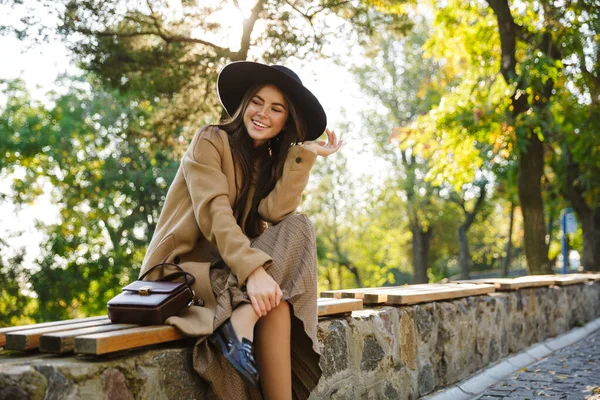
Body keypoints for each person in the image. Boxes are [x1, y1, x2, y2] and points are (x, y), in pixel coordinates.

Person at [138, 61, 342, 399]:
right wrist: (253, 273)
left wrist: (305, 155)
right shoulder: (209, 140)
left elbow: (276, 213)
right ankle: (238, 323)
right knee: (273, 296)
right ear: (245, 104)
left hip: (229, 273)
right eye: (257, 102)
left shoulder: (264, 162)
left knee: (296, 238)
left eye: (276, 109)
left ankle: (241, 321)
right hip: (184, 276)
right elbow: (214, 214)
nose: (263, 113)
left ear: (285, 122)